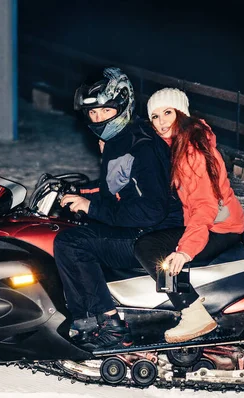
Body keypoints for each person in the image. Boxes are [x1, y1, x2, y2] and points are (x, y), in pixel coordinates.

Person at [54, 68, 183, 351]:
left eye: (105, 110)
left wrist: (93, 207)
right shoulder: (119, 140)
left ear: (123, 106)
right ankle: (86, 319)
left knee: (71, 244)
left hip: (154, 233)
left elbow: (150, 209)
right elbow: (118, 186)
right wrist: (80, 193)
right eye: (93, 113)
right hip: (142, 227)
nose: (98, 119)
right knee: (77, 231)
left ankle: (107, 324)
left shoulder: (142, 145)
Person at [135, 88, 244, 343]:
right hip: (211, 220)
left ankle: (191, 310)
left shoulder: (193, 152)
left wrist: (185, 250)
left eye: (167, 113)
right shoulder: (177, 144)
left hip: (222, 227)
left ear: (181, 114)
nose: (161, 122)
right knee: (152, 235)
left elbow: (205, 206)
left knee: (149, 247)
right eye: (154, 116)